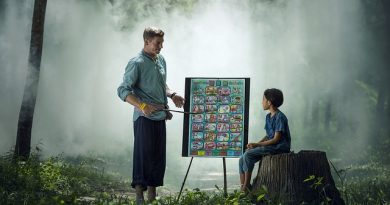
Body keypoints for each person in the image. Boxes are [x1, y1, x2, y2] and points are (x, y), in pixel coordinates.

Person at [117, 27, 185, 204]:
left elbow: (161, 84)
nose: (161, 46)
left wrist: (172, 95)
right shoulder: (136, 62)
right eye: (157, 43)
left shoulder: (160, 59)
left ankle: (152, 198)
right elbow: (123, 90)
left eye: (162, 43)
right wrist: (142, 105)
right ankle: (139, 196)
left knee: (157, 157)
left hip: (160, 116)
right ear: (146, 41)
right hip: (143, 118)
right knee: (143, 156)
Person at [238, 88, 291, 193]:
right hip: (271, 146)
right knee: (242, 157)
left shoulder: (280, 117)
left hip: (279, 147)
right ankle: (243, 187)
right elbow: (268, 136)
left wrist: (257, 144)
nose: (262, 102)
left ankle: (246, 186)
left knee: (248, 155)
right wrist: (255, 145)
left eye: (263, 99)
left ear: (269, 102)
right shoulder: (268, 117)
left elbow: (276, 139)